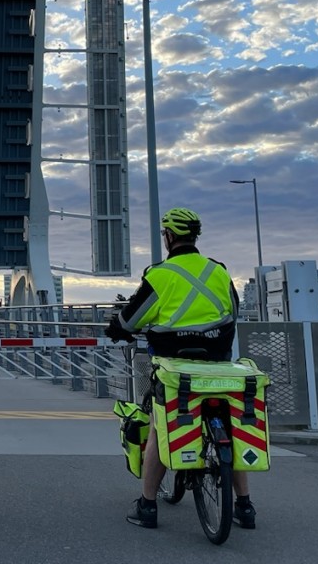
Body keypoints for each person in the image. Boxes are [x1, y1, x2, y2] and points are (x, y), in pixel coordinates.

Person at [105, 207, 257, 530]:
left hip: (175, 367)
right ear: (194, 237)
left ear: (169, 237)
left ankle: (147, 506)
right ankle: (244, 506)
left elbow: (131, 319)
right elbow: (233, 309)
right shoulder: (218, 271)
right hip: (218, 365)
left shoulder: (159, 275)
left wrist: (116, 328)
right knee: (231, 426)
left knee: (162, 428)